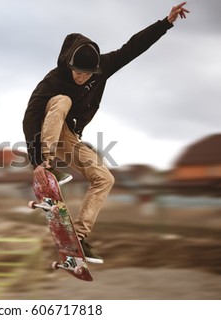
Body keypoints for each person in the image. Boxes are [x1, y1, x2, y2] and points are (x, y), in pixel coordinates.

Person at [22, 3, 189, 263]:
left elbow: (133, 48)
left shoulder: (104, 67)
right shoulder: (54, 80)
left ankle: (79, 238)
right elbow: (30, 117)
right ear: (70, 65)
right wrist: (37, 160)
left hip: (70, 137)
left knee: (104, 178)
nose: (80, 77)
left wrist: (166, 23)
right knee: (63, 100)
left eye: (86, 74)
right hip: (48, 129)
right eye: (77, 72)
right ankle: (49, 165)